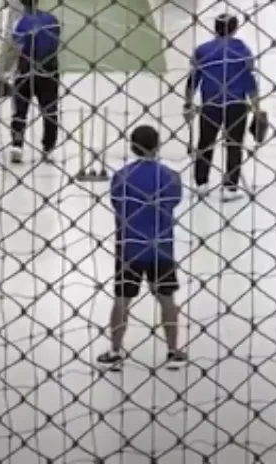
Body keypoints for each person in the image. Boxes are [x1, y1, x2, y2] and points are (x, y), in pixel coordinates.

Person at [100, 124, 186, 369]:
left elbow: (117, 204)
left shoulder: (121, 176)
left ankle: (115, 351)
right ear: (157, 145)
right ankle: (172, 350)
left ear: (132, 146)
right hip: (161, 248)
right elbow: (174, 202)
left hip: (130, 247)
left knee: (122, 299)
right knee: (167, 298)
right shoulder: (170, 176)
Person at [184, 13, 261, 201]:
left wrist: (188, 103)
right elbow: (249, 79)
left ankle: (201, 184)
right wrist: (257, 107)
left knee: (205, 143)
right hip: (236, 104)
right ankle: (230, 187)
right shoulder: (242, 50)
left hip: (210, 104)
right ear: (234, 29)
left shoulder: (202, 51)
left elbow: (193, 79)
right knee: (234, 145)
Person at [0, 0, 62, 165]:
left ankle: (17, 146)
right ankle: (48, 149)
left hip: (25, 71)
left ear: (22, 2)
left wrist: (3, 75)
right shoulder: (53, 20)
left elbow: (13, 50)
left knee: (20, 110)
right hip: (49, 71)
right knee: (50, 111)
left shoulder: (19, 23)